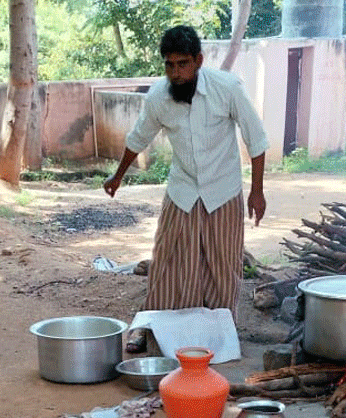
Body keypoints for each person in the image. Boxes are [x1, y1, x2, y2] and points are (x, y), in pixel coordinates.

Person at [103, 25, 269, 349]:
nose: (175, 73)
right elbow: (138, 138)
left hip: (223, 191)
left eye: (182, 64)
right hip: (182, 192)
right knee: (167, 261)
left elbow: (257, 139)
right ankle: (151, 329)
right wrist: (117, 176)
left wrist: (257, 191)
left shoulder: (228, 88)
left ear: (199, 61)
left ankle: (219, 336)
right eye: (169, 65)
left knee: (223, 266)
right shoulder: (158, 98)